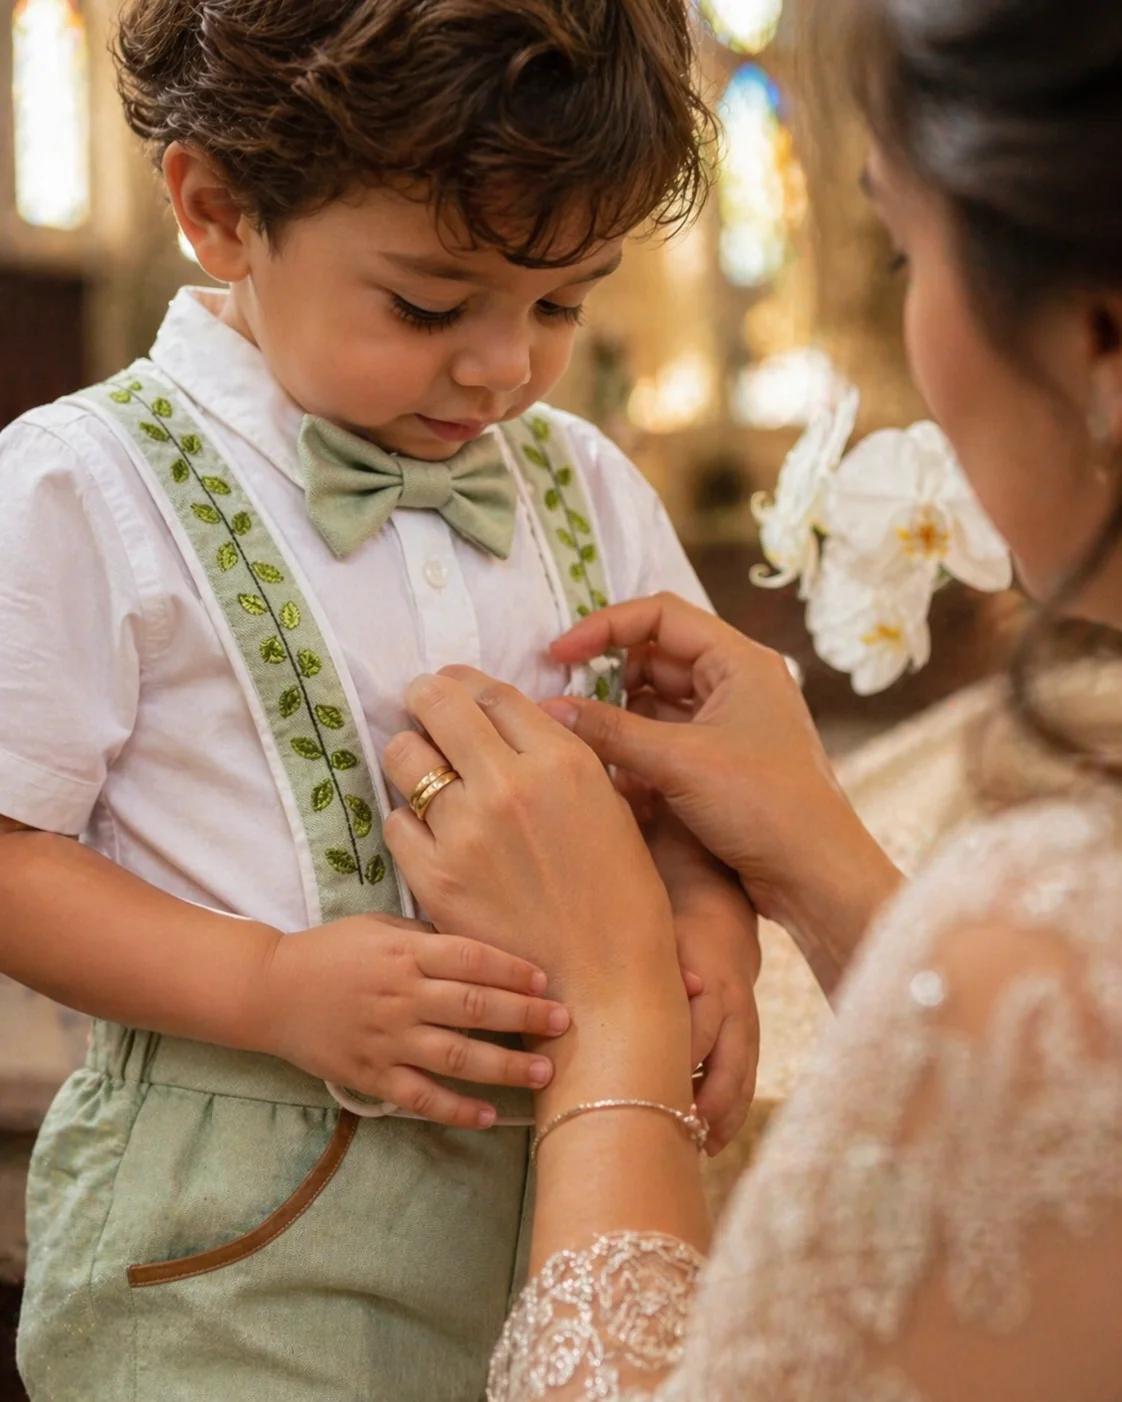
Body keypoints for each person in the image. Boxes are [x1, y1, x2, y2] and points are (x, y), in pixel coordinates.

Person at [0, 3, 763, 1399]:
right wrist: (267, 982)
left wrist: (709, 937)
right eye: (427, 304)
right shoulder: (79, 486)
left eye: (560, 305)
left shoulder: (584, 481)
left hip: (564, 1191)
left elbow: (680, 786)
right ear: (219, 210)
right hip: (230, 1245)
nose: (501, 366)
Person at [375, 0, 1122, 1396]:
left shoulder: (1043, 922)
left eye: (906, 248)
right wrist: (826, 864)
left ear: (1097, 335)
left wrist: (611, 1009)